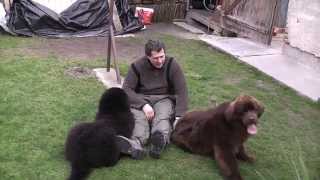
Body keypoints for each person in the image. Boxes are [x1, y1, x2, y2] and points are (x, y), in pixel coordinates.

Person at [117, 39, 188, 159]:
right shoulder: (137, 66)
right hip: (142, 98)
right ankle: (135, 144)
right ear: (148, 56)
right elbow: (127, 89)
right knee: (139, 119)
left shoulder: (172, 64)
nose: (160, 61)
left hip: (164, 98)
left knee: (163, 116)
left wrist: (179, 116)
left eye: (162, 56)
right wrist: (143, 105)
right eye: (156, 58)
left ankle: (159, 141)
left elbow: (182, 90)